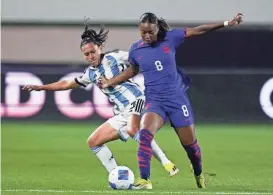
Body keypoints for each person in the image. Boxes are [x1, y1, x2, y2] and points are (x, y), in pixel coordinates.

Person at [99, 12, 243, 189]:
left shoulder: (171, 38)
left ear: (157, 28)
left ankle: (198, 172)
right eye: (143, 32)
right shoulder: (136, 50)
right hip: (155, 102)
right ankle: (145, 180)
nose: (147, 36)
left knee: (191, 148)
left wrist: (227, 23)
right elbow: (132, 70)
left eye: (150, 32)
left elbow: (199, 30)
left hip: (177, 102)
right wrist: (110, 82)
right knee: (144, 134)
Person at [22, 22, 180, 180]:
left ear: (100, 47)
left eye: (93, 52)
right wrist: (41, 87)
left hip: (136, 99)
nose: (90, 57)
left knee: (133, 129)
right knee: (93, 142)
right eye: (86, 54)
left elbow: (138, 58)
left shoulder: (115, 57)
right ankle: (118, 177)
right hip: (121, 112)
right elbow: (66, 83)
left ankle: (167, 163)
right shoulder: (90, 74)